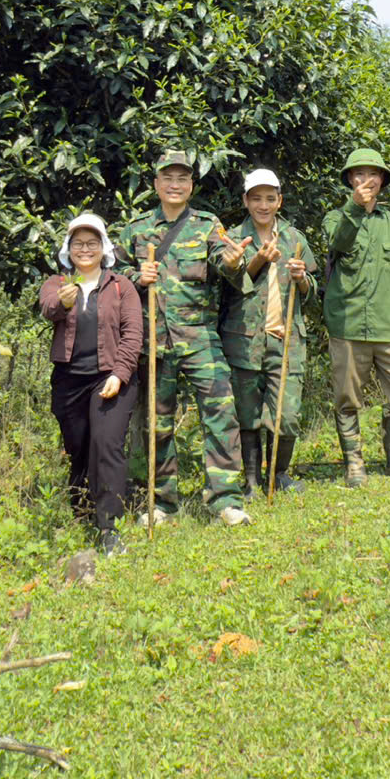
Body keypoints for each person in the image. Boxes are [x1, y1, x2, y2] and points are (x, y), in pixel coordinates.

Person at [115, 150, 251, 527]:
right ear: (156, 184)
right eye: (168, 179)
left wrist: (235, 260)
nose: (175, 186)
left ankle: (225, 500)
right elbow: (113, 275)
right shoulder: (137, 229)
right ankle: (161, 503)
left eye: (182, 179)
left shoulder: (207, 225)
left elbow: (225, 263)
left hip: (201, 339)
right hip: (153, 341)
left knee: (221, 413)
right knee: (156, 423)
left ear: (191, 185)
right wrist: (134, 274)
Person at [39, 213, 143, 555]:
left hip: (110, 377)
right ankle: (82, 512)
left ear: (104, 248)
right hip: (68, 381)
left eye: (92, 243)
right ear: (68, 249)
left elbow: (133, 335)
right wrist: (64, 302)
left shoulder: (120, 285)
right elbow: (48, 308)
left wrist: (119, 373)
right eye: (78, 244)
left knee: (106, 444)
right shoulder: (58, 283)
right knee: (79, 448)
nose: (85, 249)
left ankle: (110, 527)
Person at [319, 147, 390, 486]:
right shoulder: (336, 218)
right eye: (359, 174)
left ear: (382, 181)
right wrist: (355, 206)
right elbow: (339, 241)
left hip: (389, 327)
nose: (367, 181)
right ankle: (354, 465)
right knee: (347, 399)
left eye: (373, 175)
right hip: (348, 325)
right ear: (350, 180)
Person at [221, 169, 316, 497]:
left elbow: (311, 290)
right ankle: (250, 481)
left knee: (286, 413)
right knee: (247, 414)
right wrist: (258, 260)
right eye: (256, 198)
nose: (264, 205)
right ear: (246, 200)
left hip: (286, 339)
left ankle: (280, 475)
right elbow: (230, 283)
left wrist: (302, 277)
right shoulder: (234, 238)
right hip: (244, 339)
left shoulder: (294, 237)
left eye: (270, 198)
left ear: (280, 201)